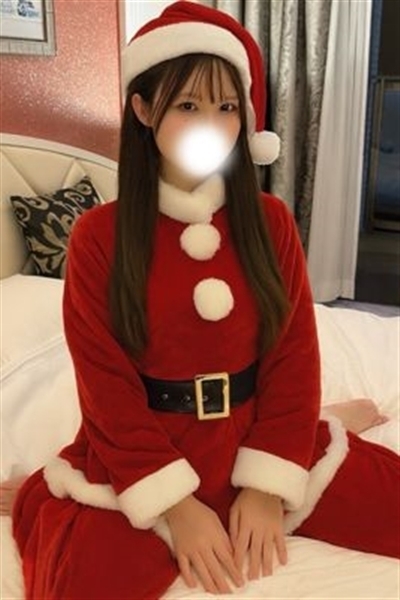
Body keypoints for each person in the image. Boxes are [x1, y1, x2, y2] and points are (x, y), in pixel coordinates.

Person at [11, 2, 400, 599]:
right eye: (188, 105)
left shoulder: (269, 221)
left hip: (257, 432)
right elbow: (105, 388)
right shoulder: (98, 236)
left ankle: (327, 419)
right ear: (144, 110)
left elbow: (294, 355)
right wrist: (175, 505)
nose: (211, 126)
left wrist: (266, 485)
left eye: (227, 108)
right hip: (147, 449)